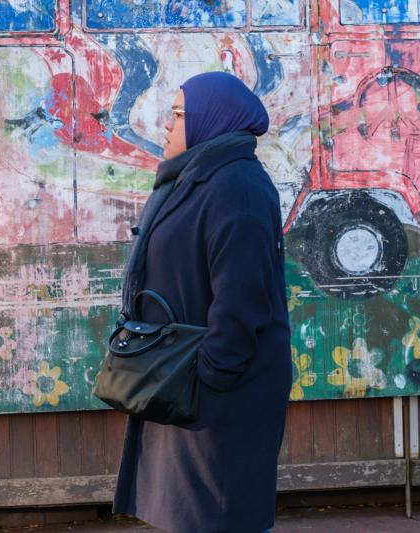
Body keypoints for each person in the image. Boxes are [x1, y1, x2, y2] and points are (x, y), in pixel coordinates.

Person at [112, 72, 292, 533]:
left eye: (178, 114)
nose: (167, 125)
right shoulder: (197, 178)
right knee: (190, 516)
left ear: (211, 119)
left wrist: (210, 375)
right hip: (185, 383)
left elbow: (242, 298)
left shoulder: (237, 187)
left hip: (218, 393)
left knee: (217, 517)